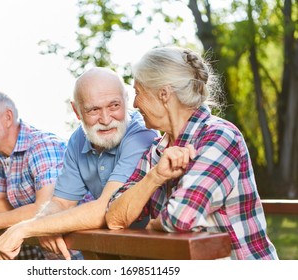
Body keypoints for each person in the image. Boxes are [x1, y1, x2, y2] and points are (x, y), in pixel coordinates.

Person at [104, 46, 278, 260]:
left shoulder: (220, 136)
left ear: (164, 94)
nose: (134, 103)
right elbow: (113, 217)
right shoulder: (156, 151)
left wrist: (153, 225)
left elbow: (181, 218)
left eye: (138, 92)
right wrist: (156, 176)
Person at [0, 67, 159, 260]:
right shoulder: (78, 139)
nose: (105, 119)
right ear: (77, 111)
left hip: (154, 250)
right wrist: (45, 224)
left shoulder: (141, 135)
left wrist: (25, 228)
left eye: (114, 106)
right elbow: (61, 202)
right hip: (111, 250)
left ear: (126, 100)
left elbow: (105, 208)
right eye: (94, 110)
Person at [0, 91, 80, 260]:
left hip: (88, 254)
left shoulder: (41, 145)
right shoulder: (1, 156)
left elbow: (45, 209)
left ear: (7, 117)